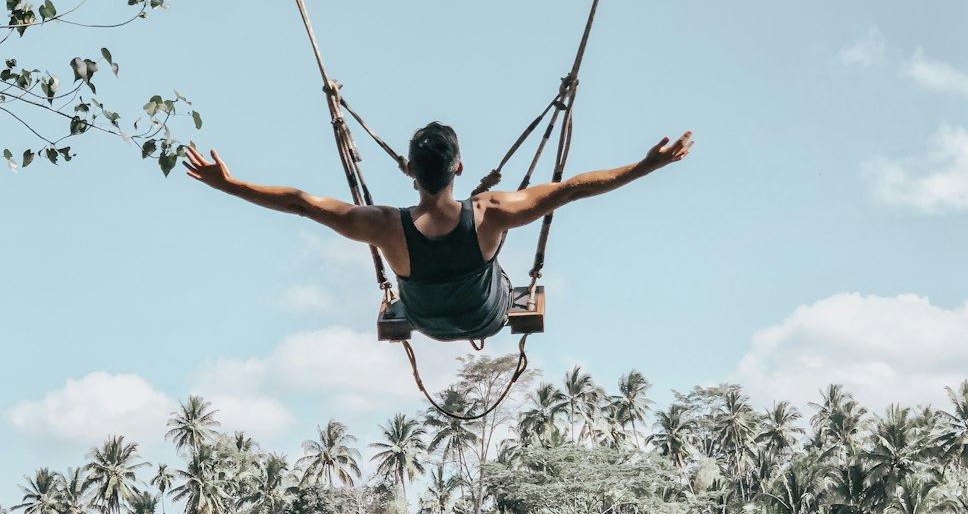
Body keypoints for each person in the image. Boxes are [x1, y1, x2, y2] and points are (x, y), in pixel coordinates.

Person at [184, 122, 693, 341]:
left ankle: (420, 297)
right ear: (459, 168)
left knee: (413, 291)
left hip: (424, 320)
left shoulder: (384, 226)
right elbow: (571, 189)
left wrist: (227, 184)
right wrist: (644, 167)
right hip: (488, 316)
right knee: (496, 267)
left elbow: (299, 204)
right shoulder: (490, 211)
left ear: (409, 171)